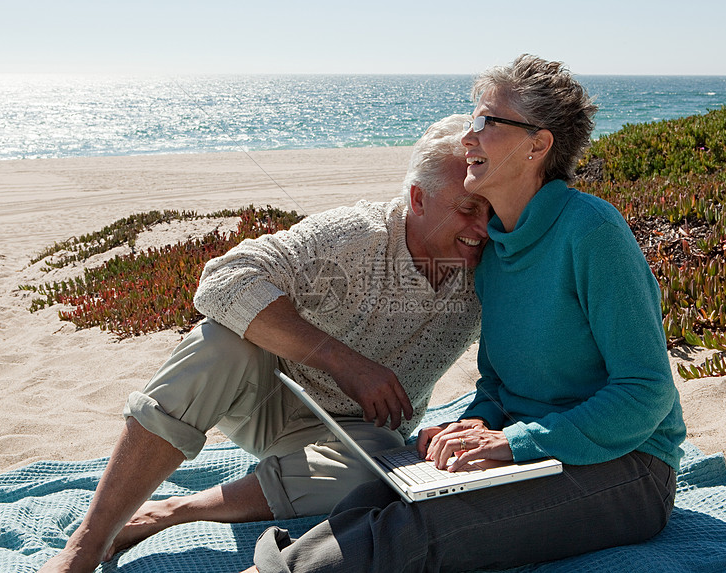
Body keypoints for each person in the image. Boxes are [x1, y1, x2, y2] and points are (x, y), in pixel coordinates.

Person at [241, 54, 686, 573]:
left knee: (426, 530)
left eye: (486, 122)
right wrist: (472, 423)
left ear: (538, 146)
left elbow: (646, 392)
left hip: (629, 467)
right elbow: (498, 386)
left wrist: (514, 442)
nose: (468, 136)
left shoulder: (592, 232)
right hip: (532, 449)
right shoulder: (493, 252)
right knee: (387, 486)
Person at [39, 114, 491, 573]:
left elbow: (505, 375)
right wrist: (342, 362)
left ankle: (173, 510)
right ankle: (87, 542)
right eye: (468, 208)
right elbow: (223, 279)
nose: (485, 226)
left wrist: (470, 424)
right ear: (417, 198)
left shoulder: (493, 272)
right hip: (268, 396)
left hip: (359, 435)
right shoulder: (355, 236)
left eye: (491, 207)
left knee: (377, 472)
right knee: (221, 341)